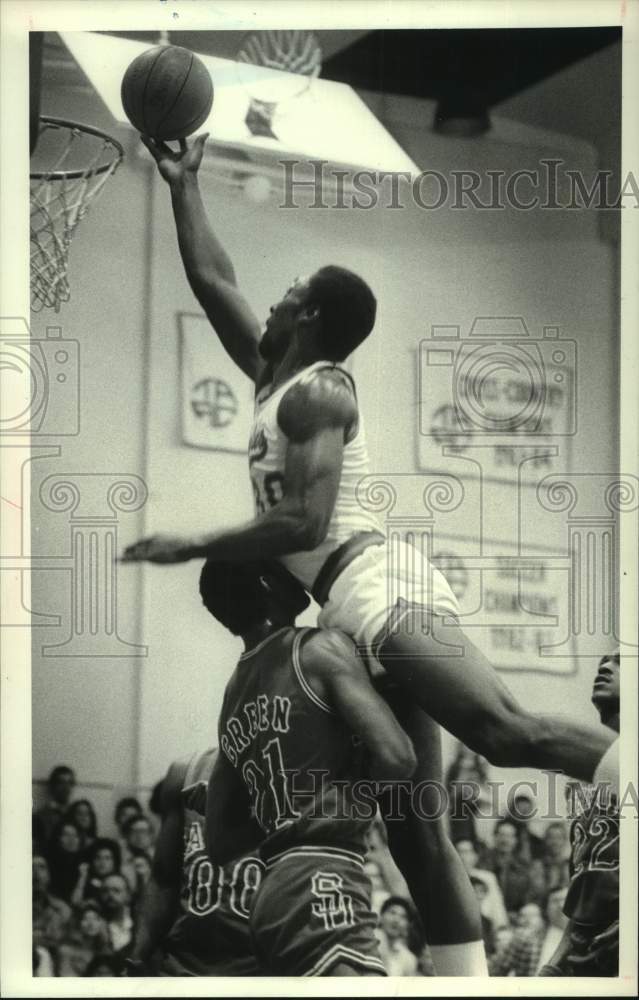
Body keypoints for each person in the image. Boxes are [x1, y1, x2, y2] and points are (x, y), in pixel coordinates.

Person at [123, 132, 615, 972]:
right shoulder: (273, 378)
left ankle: (624, 775)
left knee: (502, 731)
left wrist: (191, 540)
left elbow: (304, 529)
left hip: (377, 585)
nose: (268, 301)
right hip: (347, 604)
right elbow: (213, 281)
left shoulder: (318, 391)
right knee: (414, 821)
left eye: (286, 293)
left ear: (310, 316)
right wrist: (183, 182)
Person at [203, 557, 416, 976]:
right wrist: (337, 798)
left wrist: (288, 812)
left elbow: (219, 842)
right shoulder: (318, 649)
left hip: (271, 894)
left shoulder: (232, 696)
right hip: (323, 877)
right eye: (281, 566)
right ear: (266, 583)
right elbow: (399, 757)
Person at [126, 747, 264, 977]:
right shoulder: (186, 772)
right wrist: (137, 957)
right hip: (184, 969)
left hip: (262, 973)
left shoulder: (305, 776)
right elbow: (162, 879)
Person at [540, 650, 620, 977]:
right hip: (587, 953)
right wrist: (552, 967)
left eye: (621, 662)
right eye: (603, 660)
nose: (605, 666)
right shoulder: (580, 781)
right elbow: (583, 891)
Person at [32, 854, 72, 952]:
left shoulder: (62, 909)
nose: (36, 873)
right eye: (31, 867)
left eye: (42, 867)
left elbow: (64, 943)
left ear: (49, 875)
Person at [375, 897, 419, 976]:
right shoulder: (367, 941)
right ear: (381, 916)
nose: (396, 920)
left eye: (403, 917)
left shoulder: (408, 959)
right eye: (392, 913)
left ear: (407, 925)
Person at [34, 766, 76, 845]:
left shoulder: (76, 813)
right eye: (61, 782)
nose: (66, 787)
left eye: (70, 783)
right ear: (53, 786)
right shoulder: (41, 816)